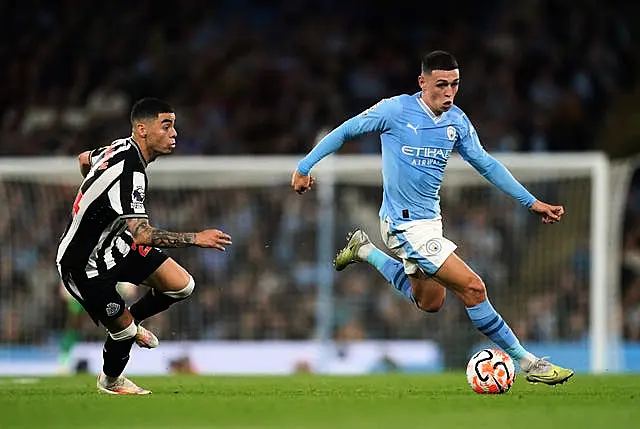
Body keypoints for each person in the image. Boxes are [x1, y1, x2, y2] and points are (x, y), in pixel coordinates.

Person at [291, 51, 574, 385]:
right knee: (473, 287)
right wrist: (304, 166)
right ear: (422, 83)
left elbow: (487, 164)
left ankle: (364, 250)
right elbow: (345, 130)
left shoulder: (457, 123)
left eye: (455, 84)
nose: (449, 92)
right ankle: (528, 363)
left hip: (430, 223)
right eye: (441, 84)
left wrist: (531, 202)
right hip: (402, 224)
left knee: (430, 303)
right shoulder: (395, 110)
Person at [56, 97, 232, 394]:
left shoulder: (119, 146)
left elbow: (85, 159)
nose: (174, 133)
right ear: (142, 129)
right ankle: (111, 380)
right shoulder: (130, 172)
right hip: (83, 264)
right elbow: (143, 235)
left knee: (181, 285)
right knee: (122, 331)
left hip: (117, 248)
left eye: (174, 126)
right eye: (166, 126)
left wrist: (97, 199)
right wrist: (196, 238)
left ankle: (131, 322)